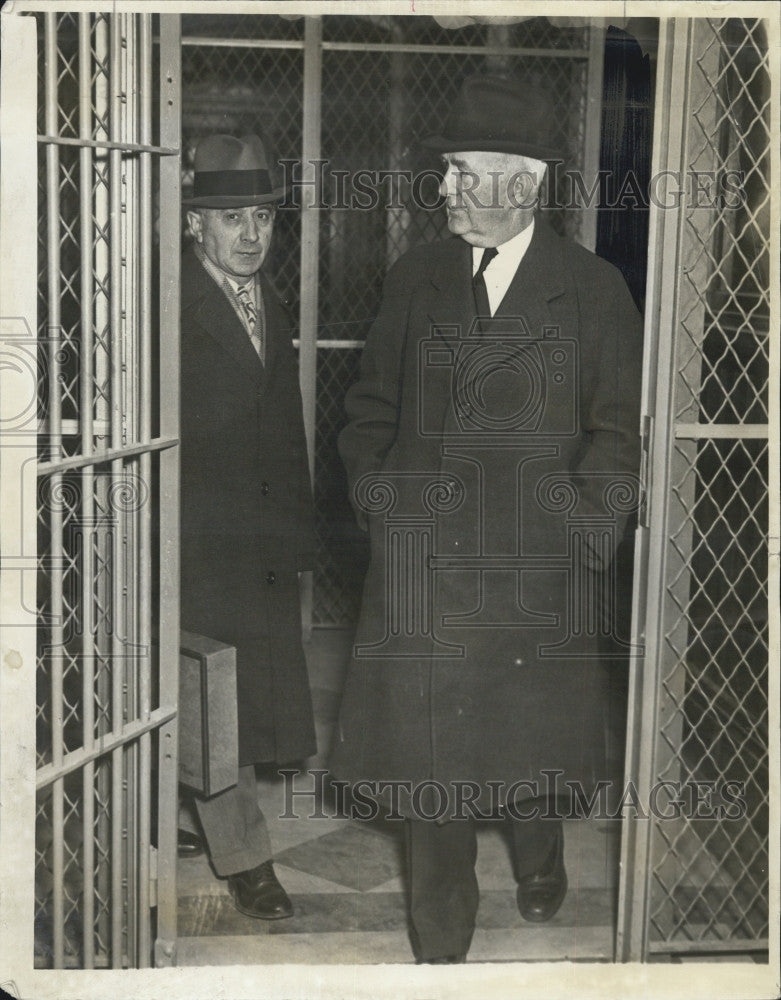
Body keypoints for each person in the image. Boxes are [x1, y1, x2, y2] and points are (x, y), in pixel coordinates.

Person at [331, 76, 644, 962]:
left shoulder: (592, 290)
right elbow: (368, 414)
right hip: (424, 576)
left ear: (529, 182)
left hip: (533, 578)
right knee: (435, 780)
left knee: (525, 760)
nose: (448, 189)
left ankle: (539, 853)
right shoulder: (415, 276)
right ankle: (442, 954)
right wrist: (381, 508)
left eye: (469, 172)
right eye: (448, 170)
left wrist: (577, 539)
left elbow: (615, 442)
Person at [179, 134, 316, 919]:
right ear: (195, 226)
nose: (250, 235)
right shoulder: (168, 304)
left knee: (236, 698)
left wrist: (294, 534)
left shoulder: (267, 296)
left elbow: (283, 422)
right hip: (194, 539)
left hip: (255, 539)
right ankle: (246, 857)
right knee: (213, 699)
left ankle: (184, 803)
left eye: (261, 216)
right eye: (229, 218)